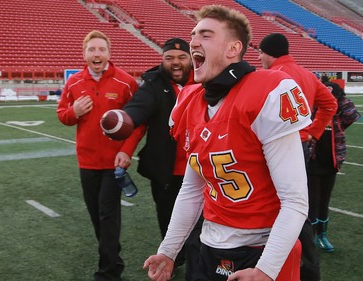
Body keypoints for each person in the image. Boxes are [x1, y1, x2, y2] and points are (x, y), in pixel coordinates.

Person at [144, 5, 312, 281]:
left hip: (259, 249)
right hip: (209, 243)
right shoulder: (189, 102)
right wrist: (169, 250)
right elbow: (192, 189)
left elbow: (294, 200)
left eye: (206, 35)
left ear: (233, 49)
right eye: (194, 34)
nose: (194, 42)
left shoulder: (264, 92)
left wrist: (266, 270)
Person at [57, 30, 144, 281]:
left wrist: (126, 151)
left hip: (113, 162)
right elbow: (62, 115)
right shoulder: (73, 83)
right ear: (84, 54)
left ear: (109, 53)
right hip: (86, 161)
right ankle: (113, 256)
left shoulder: (126, 82)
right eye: (92, 50)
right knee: (96, 214)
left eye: (101, 49)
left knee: (108, 213)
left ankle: (107, 273)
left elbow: (138, 122)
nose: (97, 54)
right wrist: (73, 111)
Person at [259, 33, 337, 281]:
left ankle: (271, 263)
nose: (259, 57)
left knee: (272, 205)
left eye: (261, 52)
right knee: (294, 205)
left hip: (274, 148)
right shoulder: (308, 74)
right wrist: (313, 132)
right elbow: (330, 104)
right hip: (301, 146)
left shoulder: (269, 76)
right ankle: (308, 267)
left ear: (269, 52)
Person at [123, 38, 202, 280]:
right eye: (169, 58)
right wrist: (124, 136)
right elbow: (139, 112)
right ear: (162, 60)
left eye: (181, 57)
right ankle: (175, 259)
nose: (175, 63)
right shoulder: (153, 83)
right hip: (165, 171)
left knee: (201, 226)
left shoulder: (205, 81)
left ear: (190, 59)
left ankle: (198, 263)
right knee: (167, 219)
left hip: (200, 171)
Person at [308, 77, 361, 252]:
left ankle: (322, 235)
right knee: (313, 202)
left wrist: (338, 96)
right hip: (312, 165)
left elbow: (353, 114)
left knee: (324, 202)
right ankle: (312, 236)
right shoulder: (312, 114)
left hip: (331, 165)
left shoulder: (339, 119)